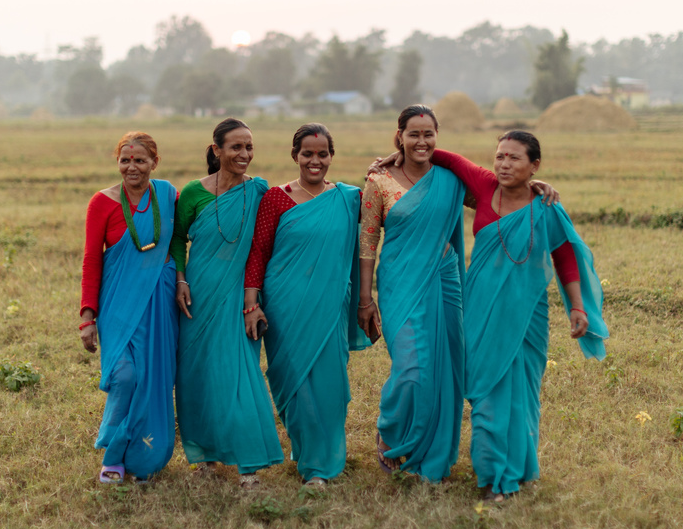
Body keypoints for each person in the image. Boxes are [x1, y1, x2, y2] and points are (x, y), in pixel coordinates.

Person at [429, 131, 608, 502]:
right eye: (500, 157)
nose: (504, 164)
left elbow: (564, 256)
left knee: (523, 392)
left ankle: (515, 470)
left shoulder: (545, 205)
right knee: (485, 389)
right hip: (480, 306)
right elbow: (438, 155)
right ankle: (494, 474)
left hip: (527, 312)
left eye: (514, 158)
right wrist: (391, 159)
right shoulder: (482, 183)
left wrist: (576, 306)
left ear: (534, 166)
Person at [242, 123, 372, 488]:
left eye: (323, 154)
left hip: (330, 303)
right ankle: (308, 450)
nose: (315, 161)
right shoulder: (276, 199)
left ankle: (319, 466)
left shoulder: (348, 198)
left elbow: (388, 208)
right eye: (307, 154)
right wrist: (252, 304)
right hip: (284, 304)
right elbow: (258, 253)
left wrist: (391, 164)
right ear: (295, 156)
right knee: (293, 382)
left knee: (330, 383)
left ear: (332, 156)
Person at [357, 105, 469, 483]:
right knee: (411, 369)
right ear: (400, 135)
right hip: (399, 282)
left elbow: (497, 191)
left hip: (443, 278)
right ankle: (390, 431)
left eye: (429, 134)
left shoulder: (451, 180)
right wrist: (365, 298)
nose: (421, 141)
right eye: (414, 134)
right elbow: (368, 241)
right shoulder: (380, 180)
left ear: (437, 137)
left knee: (447, 366)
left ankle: (433, 453)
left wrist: (535, 186)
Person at [172, 118, 282, 489]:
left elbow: (267, 241)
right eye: (236, 147)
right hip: (197, 296)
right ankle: (204, 454)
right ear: (216, 150)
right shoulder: (192, 193)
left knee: (239, 375)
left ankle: (248, 466)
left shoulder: (260, 191)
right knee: (197, 376)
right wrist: (181, 279)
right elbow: (176, 241)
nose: (245, 154)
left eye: (249, 147)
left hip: (240, 297)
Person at [79, 131, 179, 484]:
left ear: (154, 162)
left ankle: (141, 459)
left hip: (160, 300)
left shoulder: (168, 196)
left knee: (153, 380)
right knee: (124, 376)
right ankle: (113, 454)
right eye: (125, 160)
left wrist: (180, 281)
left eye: (139, 160)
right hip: (118, 305)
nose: (132, 167)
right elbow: (92, 260)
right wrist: (87, 316)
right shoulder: (102, 202)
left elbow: (180, 243)